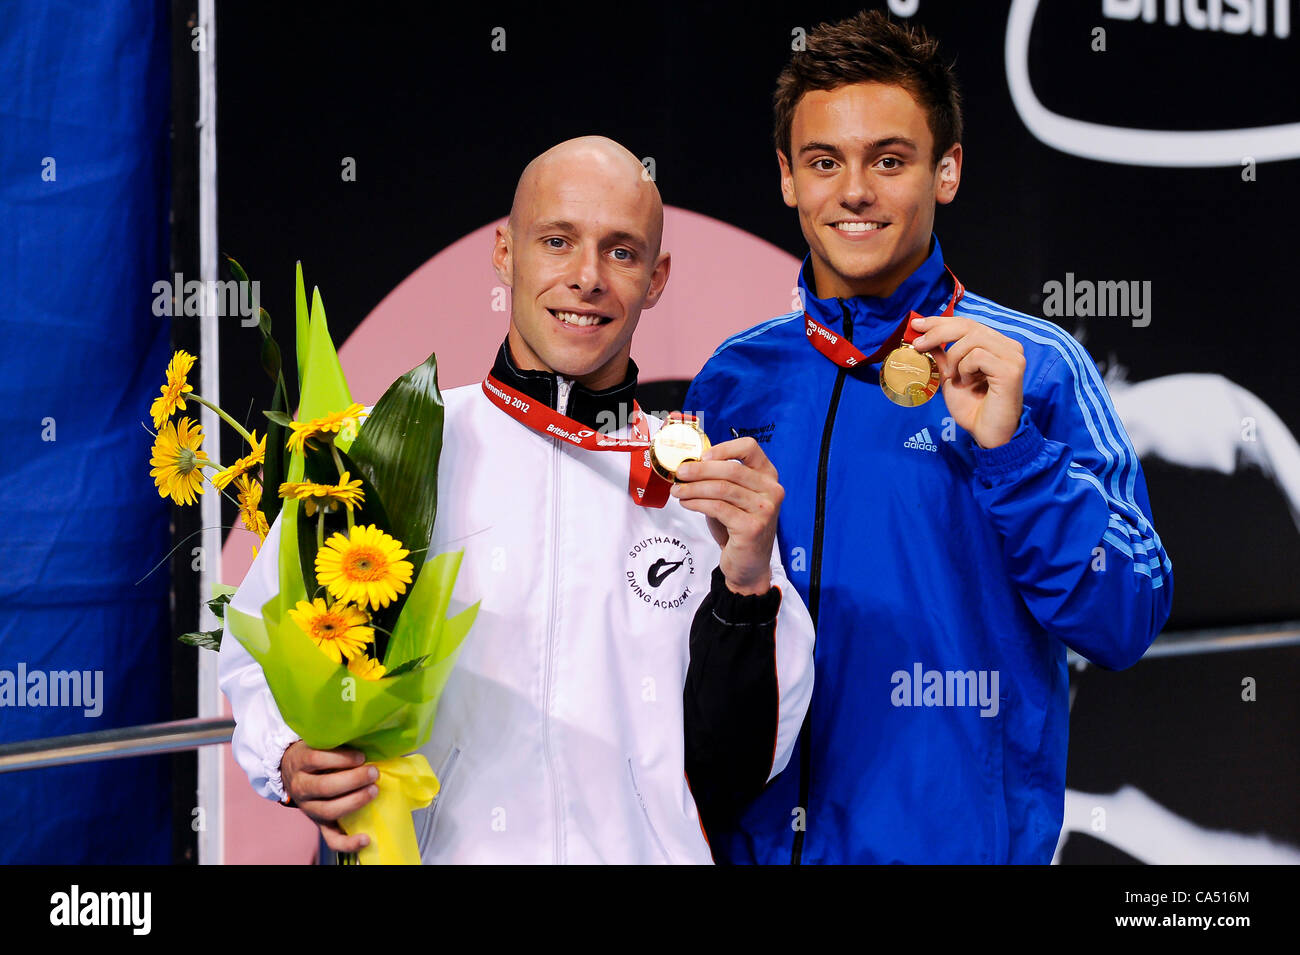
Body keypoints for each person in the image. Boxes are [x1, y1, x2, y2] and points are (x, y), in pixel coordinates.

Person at [218, 136, 815, 864]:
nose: (587, 278)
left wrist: (748, 587)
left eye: (621, 252)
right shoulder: (392, 448)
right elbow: (256, 644)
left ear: (657, 278)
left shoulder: (709, 488)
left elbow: (742, 763)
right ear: (504, 251)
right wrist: (285, 753)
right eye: (557, 241)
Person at [683, 11, 1173, 864]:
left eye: (890, 159)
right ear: (787, 178)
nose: (856, 191)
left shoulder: (1038, 367)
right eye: (824, 161)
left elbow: (1126, 614)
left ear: (946, 171)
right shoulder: (732, 380)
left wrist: (1014, 456)